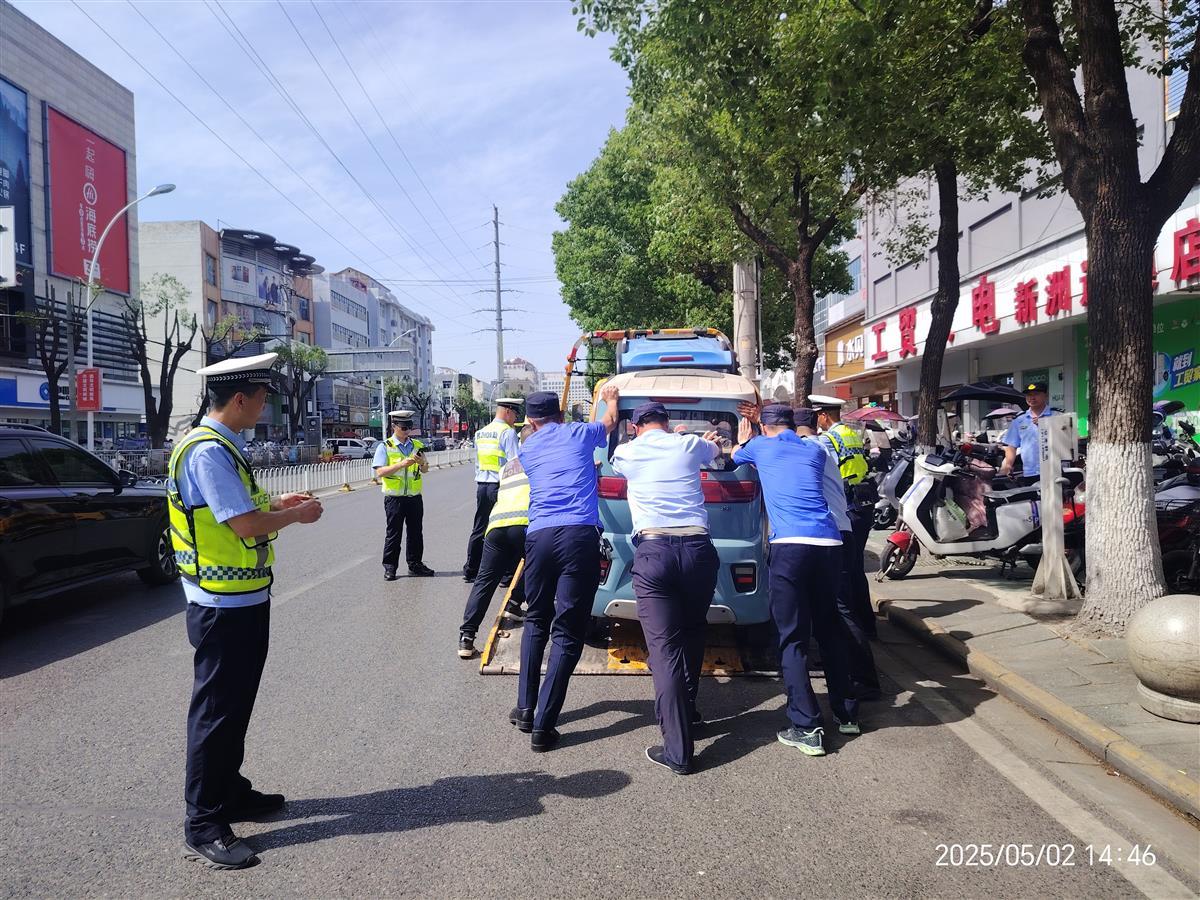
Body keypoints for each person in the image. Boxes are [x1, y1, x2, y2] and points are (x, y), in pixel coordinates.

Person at [168, 353, 325, 870]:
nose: (263, 408)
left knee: (235, 708)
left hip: (243, 598)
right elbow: (242, 525)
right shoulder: (207, 452)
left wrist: (280, 505)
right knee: (216, 714)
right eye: (260, 399)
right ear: (239, 399)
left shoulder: (224, 448)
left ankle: (229, 792)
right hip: (220, 605)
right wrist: (298, 517)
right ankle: (203, 823)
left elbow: (246, 507)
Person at [732, 403, 860, 757]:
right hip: (829, 543)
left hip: (790, 547)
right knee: (830, 629)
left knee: (793, 637)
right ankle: (847, 713)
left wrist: (744, 439)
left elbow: (735, 456)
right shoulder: (814, 450)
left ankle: (806, 726)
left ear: (764, 427)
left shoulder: (760, 446)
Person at [611, 402, 722, 775]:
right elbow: (716, 449)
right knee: (693, 633)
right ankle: (688, 713)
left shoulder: (627, 452)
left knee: (664, 650)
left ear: (636, 426)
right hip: (699, 551)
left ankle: (678, 752)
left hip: (655, 551)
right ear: (667, 422)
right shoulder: (688, 445)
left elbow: (614, 465)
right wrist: (693, 439)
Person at [511, 386, 620, 752]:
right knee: (568, 629)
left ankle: (525, 708)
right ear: (560, 415)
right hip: (578, 536)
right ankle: (544, 725)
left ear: (530, 421)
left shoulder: (528, 449)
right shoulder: (578, 432)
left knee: (536, 620)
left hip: (539, 536)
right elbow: (610, 420)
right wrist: (612, 397)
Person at [794, 406, 880, 698]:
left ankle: (865, 679)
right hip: (845, 522)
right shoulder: (838, 437)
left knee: (840, 607)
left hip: (834, 531)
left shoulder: (813, 447)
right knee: (839, 598)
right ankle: (843, 655)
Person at [458, 424, 533, 659]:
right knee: (539, 563)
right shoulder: (542, 460)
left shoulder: (507, 466)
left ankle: (467, 637)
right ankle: (515, 603)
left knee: (484, 581)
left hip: (497, 525)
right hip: (524, 523)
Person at [811, 395, 877, 641]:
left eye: (817, 416)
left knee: (845, 572)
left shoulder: (827, 439)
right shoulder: (851, 434)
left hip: (847, 505)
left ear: (823, 416)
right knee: (856, 567)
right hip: (863, 503)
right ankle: (867, 624)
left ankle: (854, 630)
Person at [464, 398, 524, 583]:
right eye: (515, 414)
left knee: (479, 527)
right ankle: (507, 575)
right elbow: (514, 462)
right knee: (506, 527)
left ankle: (471, 569)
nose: (515, 419)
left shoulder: (481, 433)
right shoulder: (507, 432)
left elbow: (477, 462)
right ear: (508, 411)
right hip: (500, 487)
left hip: (482, 486)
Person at [373, 410, 435, 580]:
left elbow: (425, 470)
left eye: (409, 427)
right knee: (394, 534)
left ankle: (415, 565)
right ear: (394, 426)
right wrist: (401, 464)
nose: (407, 430)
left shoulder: (417, 445)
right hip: (395, 498)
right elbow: (380, 472)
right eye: (403, 427)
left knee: (416, 533)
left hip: (414, 497)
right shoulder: (385, 446)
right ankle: (390, 567)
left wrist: (422, 464)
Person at [999, 381, 1057, 479]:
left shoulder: (1057, 415)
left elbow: (1067, 440)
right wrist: (1008, 465)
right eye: (1029, 395)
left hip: (1055, 470)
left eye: (1036, 394)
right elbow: (1011, 446)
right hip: (1030, 472)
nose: (1032, 398)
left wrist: (1046, 425)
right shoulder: (1019, 419)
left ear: (1046, 395)